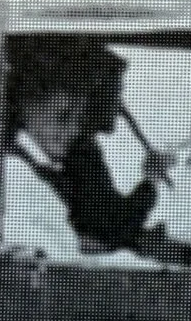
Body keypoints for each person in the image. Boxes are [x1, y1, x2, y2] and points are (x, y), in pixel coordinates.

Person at [59, 47, 174, 251]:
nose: (120, 106)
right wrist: (150, 182)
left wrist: (149, 182)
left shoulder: (82, 149)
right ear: (92, 96)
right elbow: (109, 230)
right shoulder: (77, 155)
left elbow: (111, 218)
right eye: (116, 91)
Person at [1, 66, 88, 258]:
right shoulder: (13, 169)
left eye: (78, 120)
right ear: (28, 110)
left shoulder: (49, 168)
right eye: (63, 117)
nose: (74, 130)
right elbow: (24, 238)